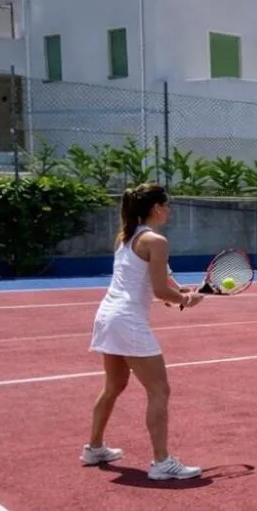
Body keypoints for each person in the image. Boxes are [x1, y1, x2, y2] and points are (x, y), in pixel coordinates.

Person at [83, 182, 204, 480]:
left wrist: (178, 293)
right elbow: (161, 289)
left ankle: (94, 448)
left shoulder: (124, 237)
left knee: (114, 386)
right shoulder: (156, 241)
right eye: (168, 204)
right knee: (159, 389)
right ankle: (162, 462)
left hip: (107, 316)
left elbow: (152, 282)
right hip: (127, 320)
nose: (170, 210)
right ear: (156, 208)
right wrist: (184, 300)